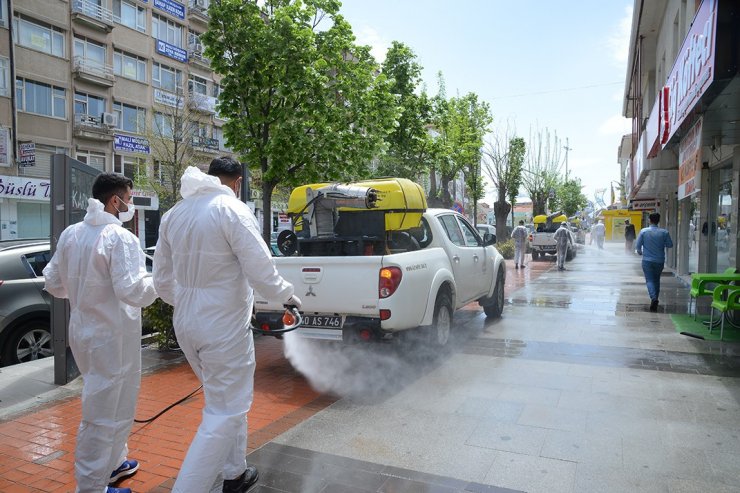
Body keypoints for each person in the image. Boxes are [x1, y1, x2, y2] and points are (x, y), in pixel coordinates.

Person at [153, 159, 301, 493]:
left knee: (226, 403)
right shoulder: (229, 209)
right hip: (222, 326)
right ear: (236, 182)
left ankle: (234, 473)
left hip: (186, 323)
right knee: (225, 411)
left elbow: (161, 282)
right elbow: (260, 268)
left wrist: (191, 303)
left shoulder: (174, 214)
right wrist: (286, 296)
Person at [43, 173, 158, 493]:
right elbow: (133, 290)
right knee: (102, 412)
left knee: (119, 401)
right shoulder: (119, 238)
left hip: (86, 330)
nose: (131, 205)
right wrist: (161, 283)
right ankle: (92, 486)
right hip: (112, 335)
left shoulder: (71, 234)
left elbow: (53, 283)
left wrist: (83, 291)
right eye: (130, 199)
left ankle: (113, 463)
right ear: (115, 201)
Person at [635, 212, 674, 312]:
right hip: (659, 260)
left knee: (649, 280)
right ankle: (655, 299)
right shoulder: (664, 232)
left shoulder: (644, 231)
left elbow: (638, 247)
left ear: (649, 220)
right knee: (656, 280)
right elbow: (670, 245)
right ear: (658, 221)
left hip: (647, 260)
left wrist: (640, 252)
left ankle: (654, 298)